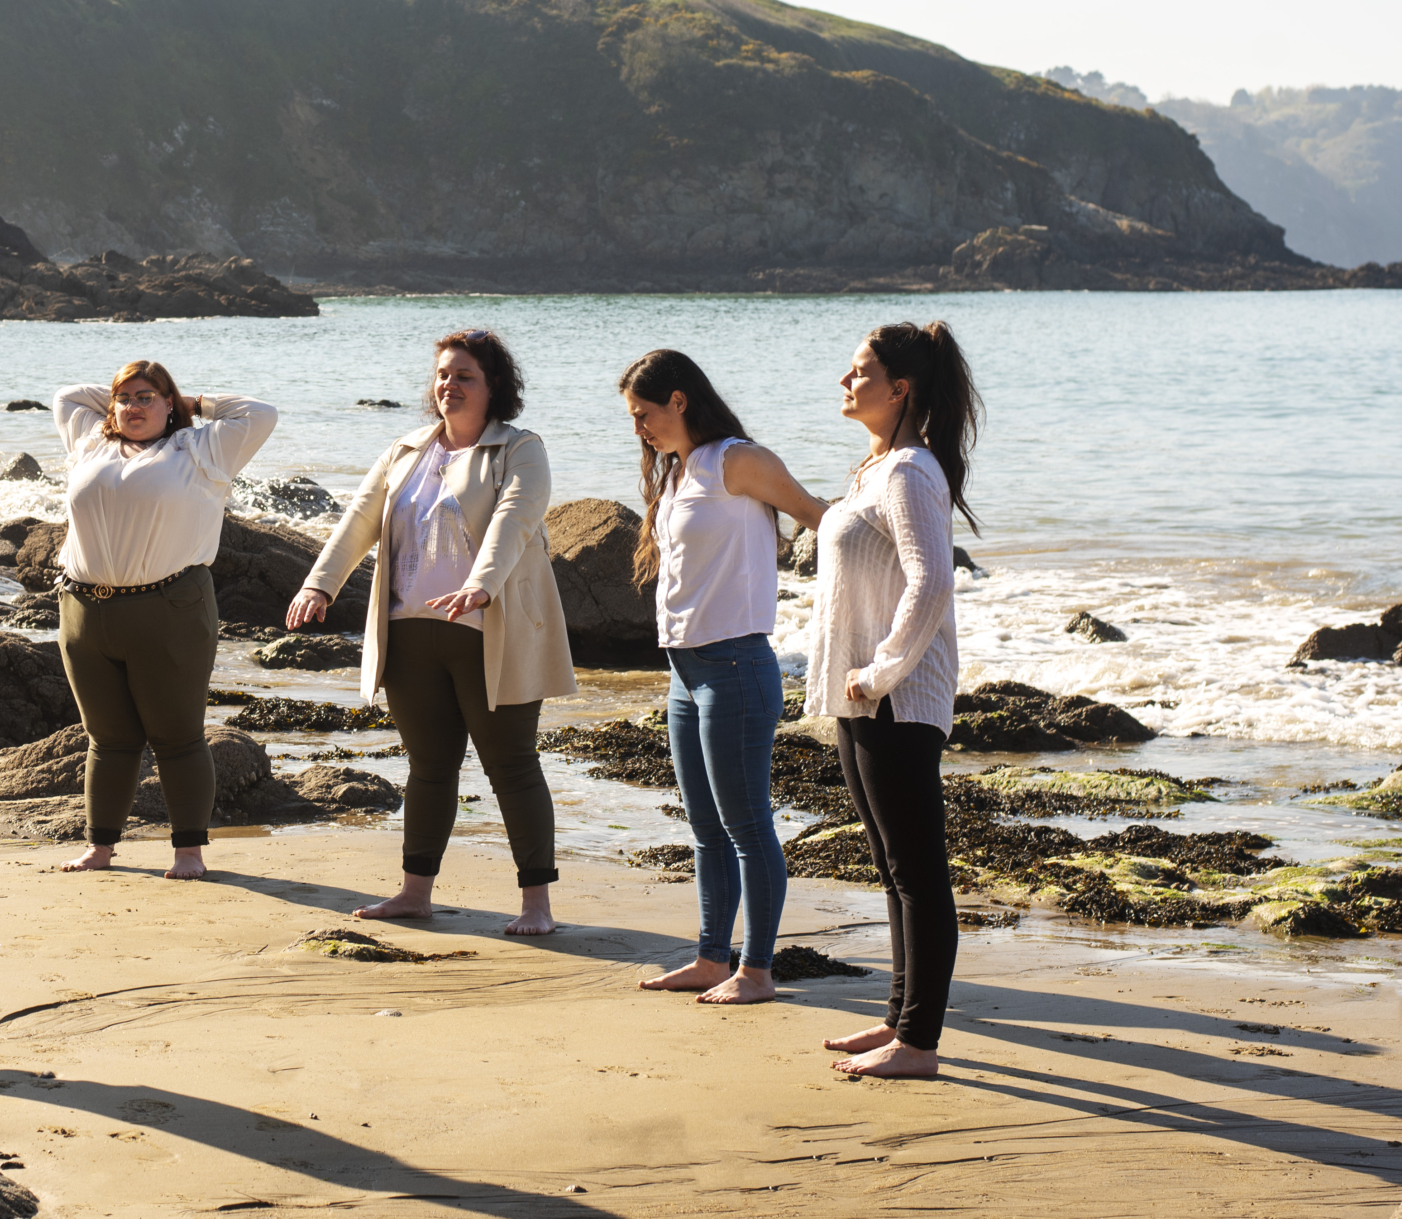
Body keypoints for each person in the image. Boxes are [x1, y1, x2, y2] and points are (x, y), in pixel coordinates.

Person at [288, 328, 575, 935]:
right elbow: (359, 520)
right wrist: (320, 584)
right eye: (443, 375)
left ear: (494, 387)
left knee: (512, 766)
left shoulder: (520, 449)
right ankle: (414, 892)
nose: (449, 386)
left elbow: (515, 519)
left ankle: (537, 906)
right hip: (410, 631)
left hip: (488, 631)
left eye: (464, 376)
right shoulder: (407, 450)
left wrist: (483, 582)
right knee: (428, 767)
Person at [619, 349, 829, 1005]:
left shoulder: (739, 460)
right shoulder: (680, 471)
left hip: (736, 664)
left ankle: (758, 969)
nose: (640, 428)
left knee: (748, 827)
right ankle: (713, 957)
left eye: (645, 413)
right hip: (685, 673)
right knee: (705, 828)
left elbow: (820, 515)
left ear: (680, 400)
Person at [808, 320, 981, 1078]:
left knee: (917, 870)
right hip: (864, 695)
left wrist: (879, 672)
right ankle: (897, 1020)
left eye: (858, 372)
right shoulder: (877, 467)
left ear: (900, 387)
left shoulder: (910, 471)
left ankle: (920, 1042)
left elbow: (932, 580)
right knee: (890, 865)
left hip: (897, 699)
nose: (845, 383)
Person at [53, 362, 277, 881]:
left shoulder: (202, 450)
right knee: (106, 738)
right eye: (124, 398)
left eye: (147, 397)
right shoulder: (90, 443)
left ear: (170, 403)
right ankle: (100, 847)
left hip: (170, 609)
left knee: (177, 736)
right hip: (84, 611)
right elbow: (68, 395)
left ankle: (189, 854)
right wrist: (124, 397)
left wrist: (192, 403)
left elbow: (260, 414)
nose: (133, 406)